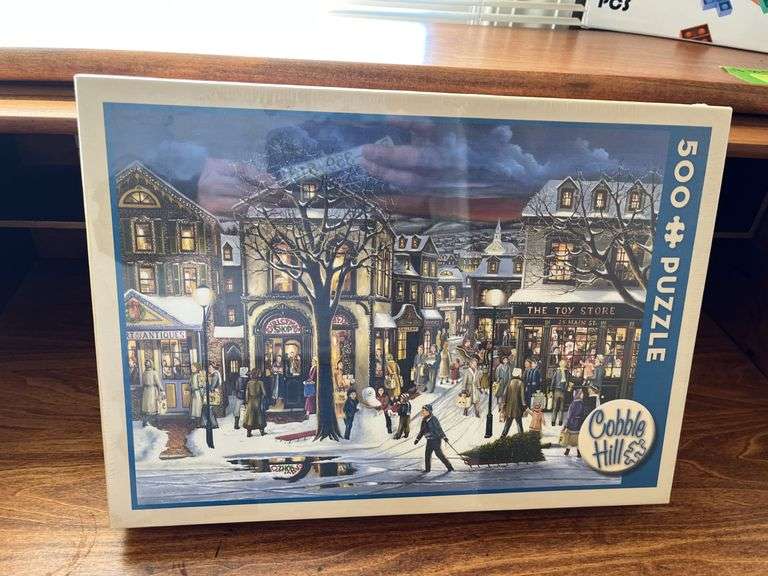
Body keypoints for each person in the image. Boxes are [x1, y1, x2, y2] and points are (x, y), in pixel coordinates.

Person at [414, 404, 454, 473]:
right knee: (427, 454)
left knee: (439, 454)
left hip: (436, 439)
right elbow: (422, 431)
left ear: (428, 411)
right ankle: (427, 469)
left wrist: (444, 437)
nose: (422, 412)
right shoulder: (424, 420)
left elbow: (439, 429)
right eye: (422, 410)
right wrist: (417, 439)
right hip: (429, 440)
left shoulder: (433, 419)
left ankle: (450, 467)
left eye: (424, 411)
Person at [500, 367, 526, 437]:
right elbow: (522, 397)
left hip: (509, 407)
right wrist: (524, 406)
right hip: (517, 407)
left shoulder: (509, 382)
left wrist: (503, 404)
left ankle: (503, 436)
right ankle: (521, 437)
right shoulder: (521, 383)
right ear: (519, 374)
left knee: (508, 423)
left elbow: (504, 394)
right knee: (519, 423)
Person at [140, 359, 164, 427]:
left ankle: (157, 422)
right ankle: (145, 422)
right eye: (146, 364)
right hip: (146, 391)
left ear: (151, 364)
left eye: (148, 364)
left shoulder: (154, 372)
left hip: (152, 391)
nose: (147, 365)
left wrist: (161, 389)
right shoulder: (144, 373)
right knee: (147, 407)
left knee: (154, 406)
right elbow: (143, 383)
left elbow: (158, 382)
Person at [243, 368, 267, 437]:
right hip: (258, 401)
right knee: (260, 415)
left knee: (250, 416)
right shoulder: (260, 382)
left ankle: (248, 433)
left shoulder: (249, 383)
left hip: (250, 401)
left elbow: (247, 393)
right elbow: (264, 393)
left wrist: (246, 401)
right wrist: (263, 398)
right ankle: (262, 432)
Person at [562, 387, 585, 456]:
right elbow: (584, 414)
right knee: (578, 439)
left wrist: (566, 425)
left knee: (570, 439)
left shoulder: (573, 404)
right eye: (581, 394)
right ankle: (578, 453)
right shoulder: (582, 404)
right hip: (579, 424)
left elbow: (569, 416)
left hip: (572, 424)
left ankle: (567, 451)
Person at [550, 359, 571, 427]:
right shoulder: (558, 371)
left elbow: (568, 380)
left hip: (562, 390)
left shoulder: (566, 371)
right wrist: (551, 390)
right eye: (562, 363)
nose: (563, 365)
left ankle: (558, 421)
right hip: (559, 390)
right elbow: (553, 380)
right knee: (557, 407)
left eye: (564, 363)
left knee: (560, 407)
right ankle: (555, 421)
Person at [189, 363, 204, 427]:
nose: (192, 368)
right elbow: (190, 384)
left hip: (198, 393)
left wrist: (202, 394)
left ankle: (198, 422)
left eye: (193, 367)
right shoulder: (192, 375)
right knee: (193, 407)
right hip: (193, 393)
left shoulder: (199, 375)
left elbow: (201, 385)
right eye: (191, 367)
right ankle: (194, 422)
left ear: (197, 368)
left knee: (198, 407)